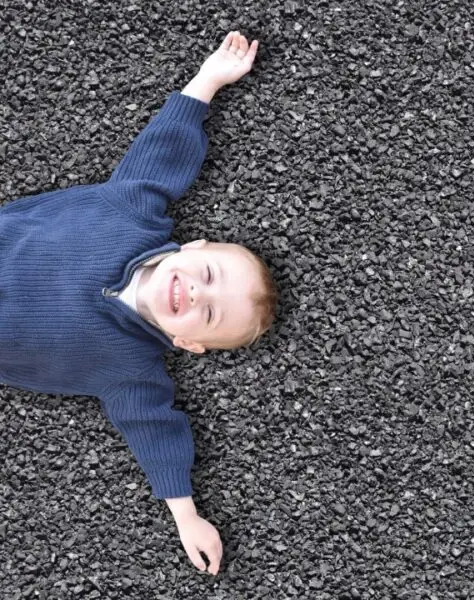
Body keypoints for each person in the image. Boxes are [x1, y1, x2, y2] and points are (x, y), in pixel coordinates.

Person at [0, 31, 277, 575]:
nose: (198, 291)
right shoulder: (135, 212)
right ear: (192, 248)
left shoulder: (132, 371)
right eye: (209, 273)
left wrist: (186, 515)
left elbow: (156, 431)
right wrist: (208, 81)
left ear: (188, 342)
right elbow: (164, 150)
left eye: (210, 311)